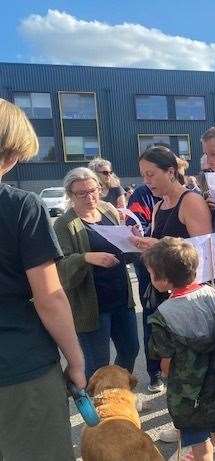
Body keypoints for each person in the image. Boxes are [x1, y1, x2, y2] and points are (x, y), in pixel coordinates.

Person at [0, 99, 85, 461]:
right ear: (9, 153)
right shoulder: (21, 206)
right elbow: (49, 296)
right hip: (18, 368)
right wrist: (76, 360)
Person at [145, 237, 215, 461]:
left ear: (164, 280)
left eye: (151, 273)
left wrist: (168, 374)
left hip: (188, 397)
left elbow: (165, 360)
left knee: (200, 448)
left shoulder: (163, 316)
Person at [130, 146, 212, 392]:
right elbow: (159, 249)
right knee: (173, 364)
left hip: (191, 298)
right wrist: (143, 245)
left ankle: (199, 422)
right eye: (143, 175)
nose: (146, 181)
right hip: (166, 294)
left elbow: (205, 252)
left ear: (171, 172)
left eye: (151, 174)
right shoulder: (158, 206)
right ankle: (185, 419)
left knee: (194, 364)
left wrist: (159, 245)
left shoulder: (191, 202)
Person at [54, 167, 139, 381]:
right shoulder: (64, 224)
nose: (89, 197)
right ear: (70, 195)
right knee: (97, 364)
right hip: (92, 306)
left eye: (93, 190)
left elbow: (121, 246)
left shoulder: (108, 210)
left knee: (130, 350)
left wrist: (132, 240)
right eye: (81, 193)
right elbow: (60, 266)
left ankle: (118, 394)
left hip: (121, 297)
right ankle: (100, 406)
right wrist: (86, 258)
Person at [125, 184, 163, 392]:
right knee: (152, 319)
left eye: (151, 173)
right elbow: (134, 225)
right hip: (149, 268)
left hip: (177, 272)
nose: (149, 179)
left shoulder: (187, 195)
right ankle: (155, 372)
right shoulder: (142, 194)